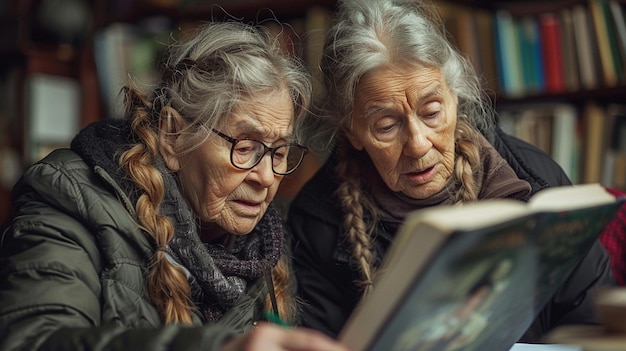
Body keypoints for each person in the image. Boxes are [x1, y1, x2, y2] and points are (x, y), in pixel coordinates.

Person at [0, 21, 348, 351]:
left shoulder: (268, 242)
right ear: (174, 136)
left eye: (280, 152)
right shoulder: (70, 196)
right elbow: (34, 341)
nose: (268, 177)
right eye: (244, 148)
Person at [287, 0, 616, 344]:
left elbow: (593, 320)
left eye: (431, 113)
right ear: (352, 131)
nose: (418, 144)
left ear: (454, 99)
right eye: (386, 126)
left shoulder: (536, 180)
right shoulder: (318, 220)